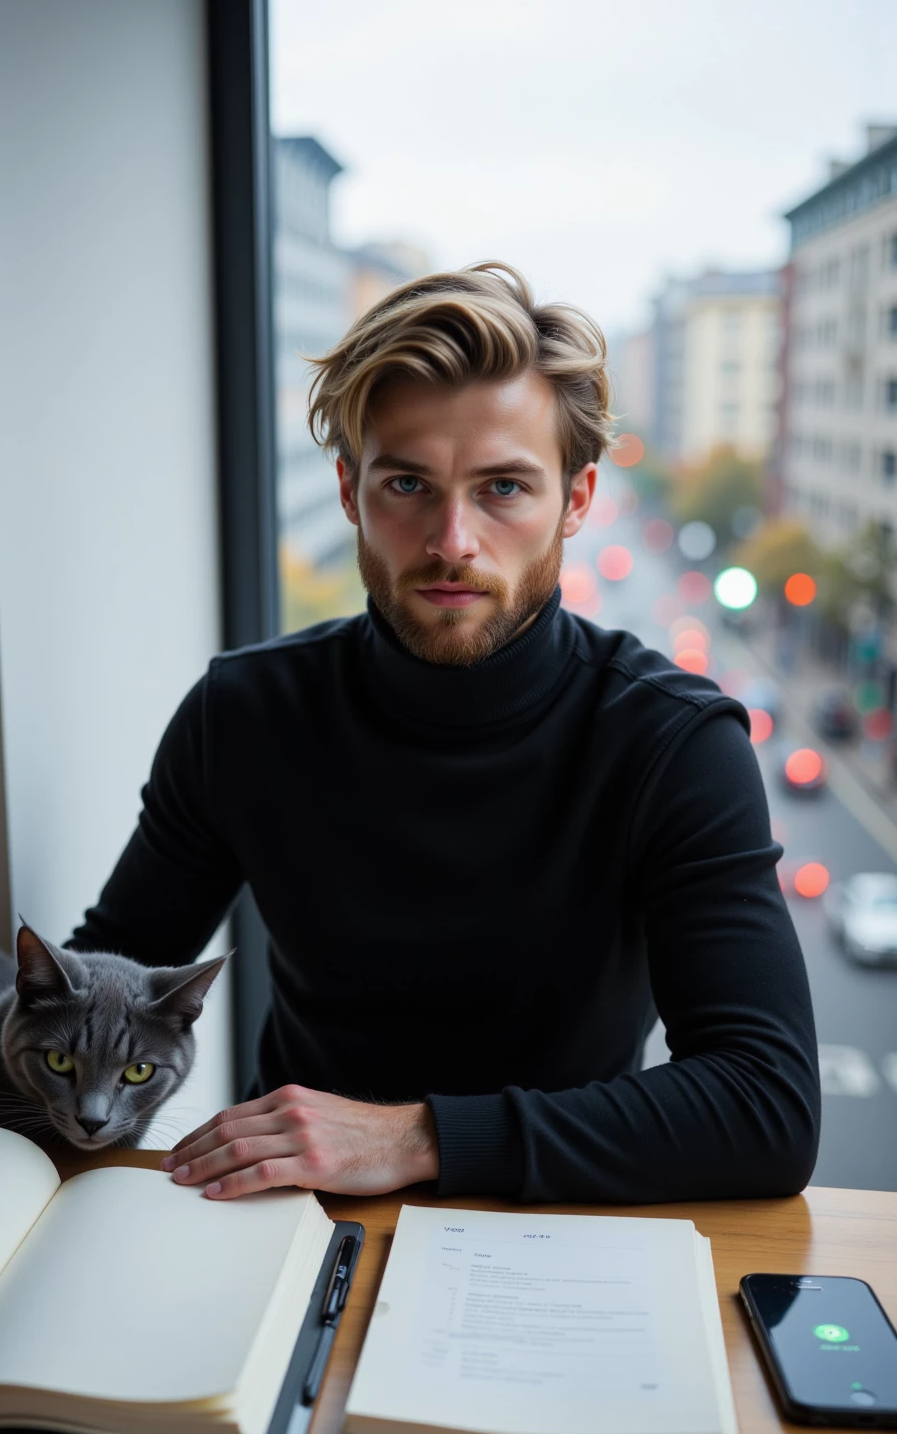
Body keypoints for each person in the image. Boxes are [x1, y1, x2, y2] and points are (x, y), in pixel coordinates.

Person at [66, 262, 819, 1205]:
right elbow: (97, 988)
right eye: (409, 483)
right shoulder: (244, 714)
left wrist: (415, 1136)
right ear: (350, 492)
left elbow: (767, 1108)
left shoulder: (672, 741)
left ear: (577, 501)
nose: (453, 539)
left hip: (563, 1223)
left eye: (504, 487)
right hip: (287, 1225)